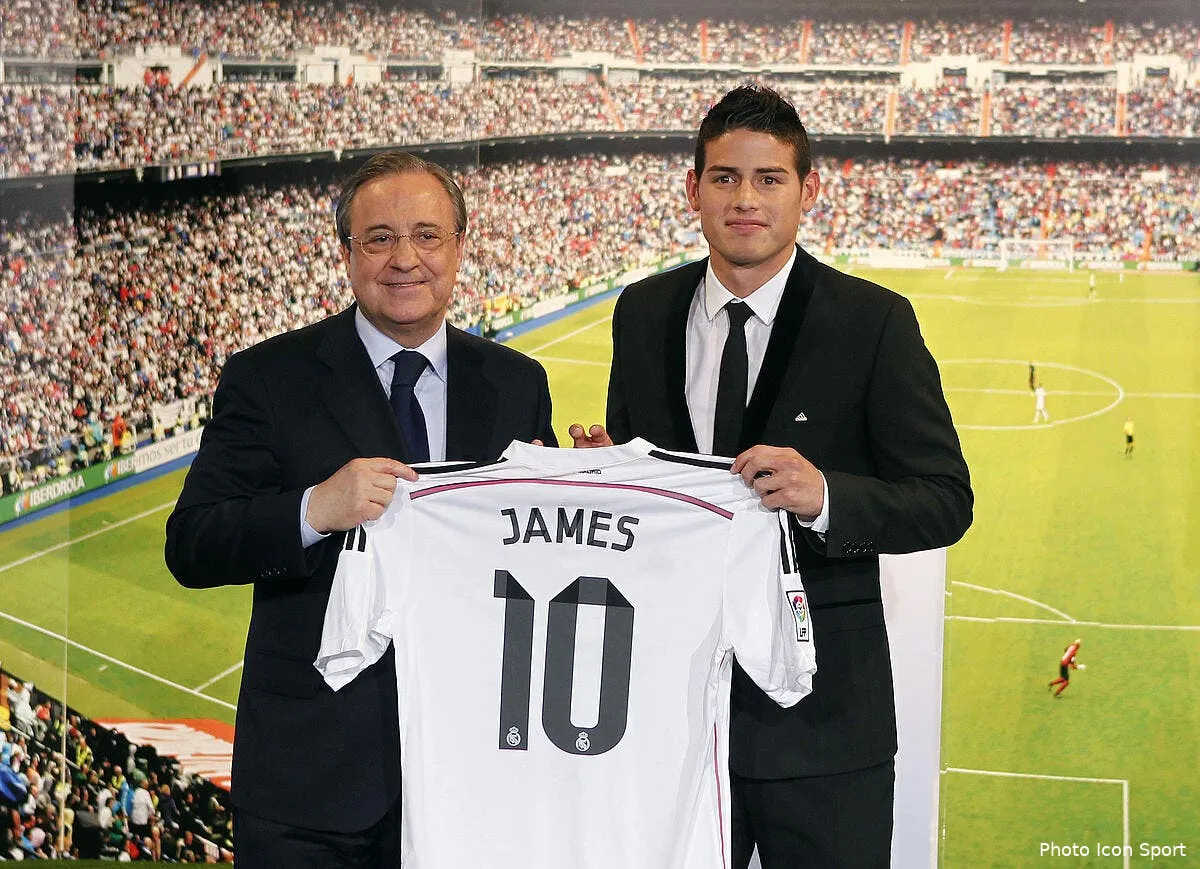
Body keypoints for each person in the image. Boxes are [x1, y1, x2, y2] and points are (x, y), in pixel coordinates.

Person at [599, 85, 973, 867]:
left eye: (769, 179)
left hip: (826, 727)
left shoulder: (873, 322)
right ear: (692, 188)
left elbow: (944, 501)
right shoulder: (641, 312)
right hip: (670, 720)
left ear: (808, 191)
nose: (745, 199)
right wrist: (612, 475)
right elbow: (650, 495)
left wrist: (827, 496)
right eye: (726, 177)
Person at [164, 150, 557, 869]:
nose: (404, 258)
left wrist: (581, 480)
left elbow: (540, 557)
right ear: (345, 253)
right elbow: (192, 542)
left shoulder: (516, 384)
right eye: (378, 238)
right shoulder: (268, 378)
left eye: (427, 235)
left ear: (461, 247)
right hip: (310, 788)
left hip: (472, 777)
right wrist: (315, 508)